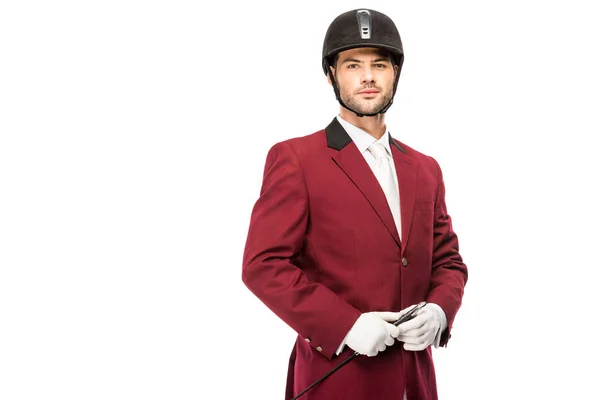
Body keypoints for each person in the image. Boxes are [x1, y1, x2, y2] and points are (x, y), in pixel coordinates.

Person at [241, 8, 468, 400]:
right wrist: (344, 324)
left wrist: (439, 311)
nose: (367, 77)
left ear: (395, 73)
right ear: (331, 74)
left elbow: (448, 262)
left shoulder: (426, 168)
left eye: (379, 64)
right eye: (352, 65)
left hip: (416, 382)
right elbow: (262, 266)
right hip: (336, 379)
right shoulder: (296, 159)